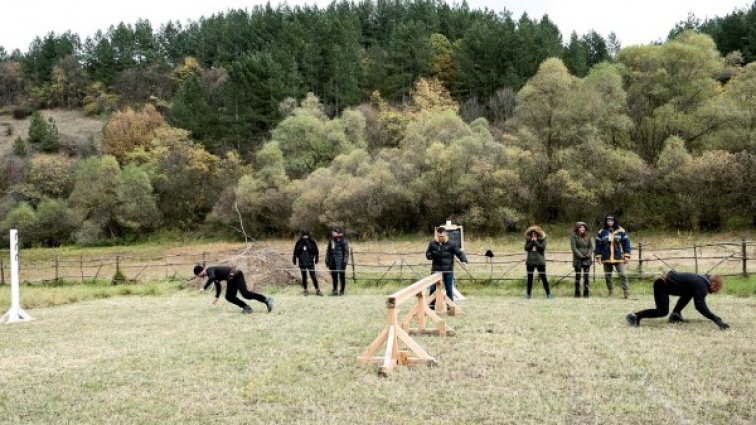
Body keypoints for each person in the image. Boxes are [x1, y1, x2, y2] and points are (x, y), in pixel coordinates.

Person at [625, 271, 730, 330]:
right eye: (717, 289)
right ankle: (635, 316)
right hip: (662, 285)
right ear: (713, 284)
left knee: (689, 292)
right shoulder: (702, 286)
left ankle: (675, 314)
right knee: (662, 311)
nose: (716, 292)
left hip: (665, 282)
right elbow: (700, 306)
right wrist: (716, 319)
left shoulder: (701, 281)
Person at [194, 264, 273, 314]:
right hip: (231, 278)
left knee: (245, 294)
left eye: (198, 275)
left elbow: (213, 277)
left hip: (236, 274)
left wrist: (204, 288)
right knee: (229, 297)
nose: (199, 276)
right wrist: (217, 297)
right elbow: (218, 285)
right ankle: (246, 308)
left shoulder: (210, 270)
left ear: (201, 271)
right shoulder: (211, 274)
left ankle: (266, 299)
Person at [426, 226, 468, 309]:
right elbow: (428, 253)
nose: (440, 238)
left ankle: (450, 306)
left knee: (449, 288)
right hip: (436, 270)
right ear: (436, 235)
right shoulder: (432, 243)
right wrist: (429, 256)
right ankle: (431, 305)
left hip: (448, 270)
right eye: (439, 236)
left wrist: (464, 260)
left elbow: (459, 253)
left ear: (446, 235)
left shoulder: (451, 244)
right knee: (433, 288)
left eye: (442, 236)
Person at [594, 214, 631, 298]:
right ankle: (611, 292)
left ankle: (626, 292)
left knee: (622, 274)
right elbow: (598, 245)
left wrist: (627, 255)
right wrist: (598, 256)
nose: (610, 222)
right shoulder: (601, 232)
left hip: (618, 257)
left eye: (611, 221)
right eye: (608, 221)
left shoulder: (621, 230)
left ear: (614, 221)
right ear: (606, 222)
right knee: (607, 276)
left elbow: (627, 244)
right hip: (606, 257)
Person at [524, 225, 552, 299]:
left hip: (540, 261)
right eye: (532, 234)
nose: (533, 235)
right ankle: (528, 294)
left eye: (535, 233)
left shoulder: (543, 239)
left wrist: (535, 241)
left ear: (537, 233)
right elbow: (526, 248)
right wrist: (532, 241)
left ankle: (549, 294)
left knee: (543, 278)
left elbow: (542, 248)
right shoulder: (529, 240)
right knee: (529, 278)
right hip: (530, 261)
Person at [292, 230, 322, 296]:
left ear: (308, 235)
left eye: (306, 236)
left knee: (313, 276)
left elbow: (316, 251)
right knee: (304, 277)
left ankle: (317, 290)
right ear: (302, 236)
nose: (305, 237)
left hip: (310, 262)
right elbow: (296, 251)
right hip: (302, 262)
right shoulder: (299, 242)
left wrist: (316, 258)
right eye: (304, 236)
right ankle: (305, 290)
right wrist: (294, 259)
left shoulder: (312, 242)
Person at [570, 222, 593, 298]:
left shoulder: (588, 236)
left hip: (587, 259)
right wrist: (580, 256)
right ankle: (577, 293)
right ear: (577, 228)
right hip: (578, 259)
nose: (582, 229)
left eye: (583, 227)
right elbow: (574, 248)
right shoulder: (574, 236)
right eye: (580, 227)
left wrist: (589, 255)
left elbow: (590, 247)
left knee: (586, 277)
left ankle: (586, 293)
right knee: (578, 277)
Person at [325, 226, 349, 296]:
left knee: (342, 276)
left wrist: (345, 261)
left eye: (334, 232)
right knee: (334, 276)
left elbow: (346, 252)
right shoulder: (331, 240)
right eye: (333, 232)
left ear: (337, 232)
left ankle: (342, 290)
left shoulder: (344, 240)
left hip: (341, 262)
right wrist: (327, 259)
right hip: (333, 261)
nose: (332, 233)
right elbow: (328, 251)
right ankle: (335, 290)